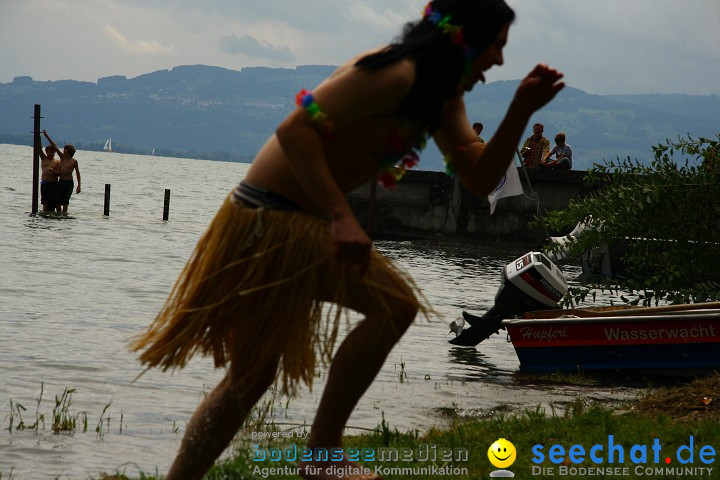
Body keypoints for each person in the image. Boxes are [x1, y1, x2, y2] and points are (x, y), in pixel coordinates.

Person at [131, 1, 564, 479]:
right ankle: (321, 454)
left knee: (252, 378)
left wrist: (521, 111)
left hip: (285, 219)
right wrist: (340, 215)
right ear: (465, 40)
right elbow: (296, 131)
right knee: (390, 307)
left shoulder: (438, 100)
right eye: (497, 46)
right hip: (268, 219)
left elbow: (482, 178)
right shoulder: (394, 74)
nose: (500, 61)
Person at [42, 130, 81, 214]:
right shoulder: (62, 158)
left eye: (65, 150)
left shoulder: (74, 161)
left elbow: (78, 173)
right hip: (61, 181)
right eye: (64, 149)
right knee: (57, 201)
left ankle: (64, 215)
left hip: (69, 183)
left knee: (65, 202)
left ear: (69, 151)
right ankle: (59, 214)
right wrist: (47, 136)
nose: (64, 151)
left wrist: (79, 185)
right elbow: (54, 146)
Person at [39, 145, 60, 213]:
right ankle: (44, 212)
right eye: (49, 152)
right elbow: (39, 150)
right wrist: (39, 136)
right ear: (46, 152)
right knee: (45, 201)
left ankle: (56, 213)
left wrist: (53, 171)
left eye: (53, 152)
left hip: (54, 183)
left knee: (54, 201)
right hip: (45, 182)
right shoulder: (44, 158)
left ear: (55, 153)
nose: (51, 153)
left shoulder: (57, 162)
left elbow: (59, 174)